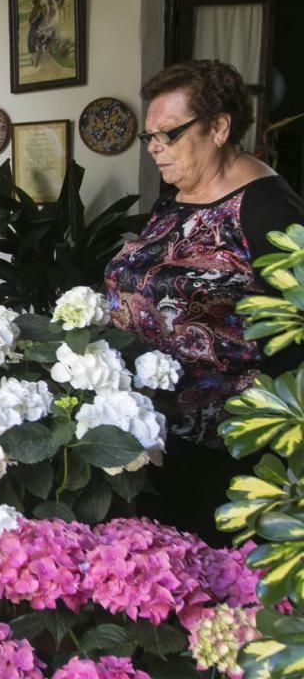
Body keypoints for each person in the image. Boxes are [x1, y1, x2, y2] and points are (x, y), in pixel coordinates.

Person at [104, 60, 304, 543]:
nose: (154, 149)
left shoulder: (268, 211)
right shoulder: (175, 198)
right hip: (153, 437)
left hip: (225, 457)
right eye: (148, 138)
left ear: (218, 127)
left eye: (168, 134)